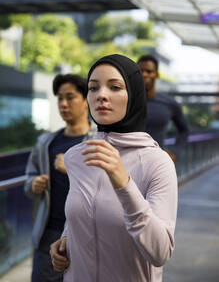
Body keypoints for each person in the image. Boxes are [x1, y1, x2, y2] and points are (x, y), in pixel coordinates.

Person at [50, 54, 178, 282]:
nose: (101, 96)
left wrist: (124, 184)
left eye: (115, 87)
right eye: (93, 88)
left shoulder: (157, 162)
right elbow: (81, 213)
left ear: (134, 95)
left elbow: (160, 253)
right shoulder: (76, 157)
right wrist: (66, 239)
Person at [24, 74, 96, 282]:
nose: (64, 104)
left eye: (70, 97)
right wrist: (34, 184)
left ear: (85, 101)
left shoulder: (98, 141)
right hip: (49, 233)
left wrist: (72, 169)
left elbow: (108, 187)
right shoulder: (46, 142)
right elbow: (29, 178)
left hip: (85, 234)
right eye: (60, 98)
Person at [137, 54, 190, 161]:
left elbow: (185, 130)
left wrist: (175, 152)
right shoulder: (125, 100)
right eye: (140, 71)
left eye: (148, 71)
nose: (144, 74)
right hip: (127, 163)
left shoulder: (169, 102)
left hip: (157, 163)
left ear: (156, 75)